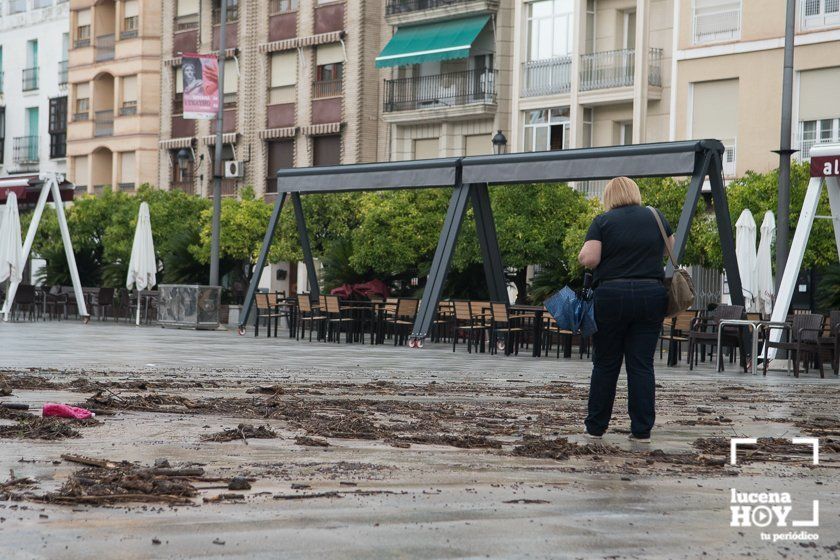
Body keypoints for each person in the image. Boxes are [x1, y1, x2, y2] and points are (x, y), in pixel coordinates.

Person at [577, 177, 675, 443]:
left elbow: (591, 258)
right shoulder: (656, 217)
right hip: (650, 295)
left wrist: (582, 255)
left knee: (606, 363)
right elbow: (672, 249)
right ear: (635, 192)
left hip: (611, 296)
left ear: (610, 196)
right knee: (641, 364)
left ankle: (596, 427)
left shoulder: (603, 222)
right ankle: (641, 430)